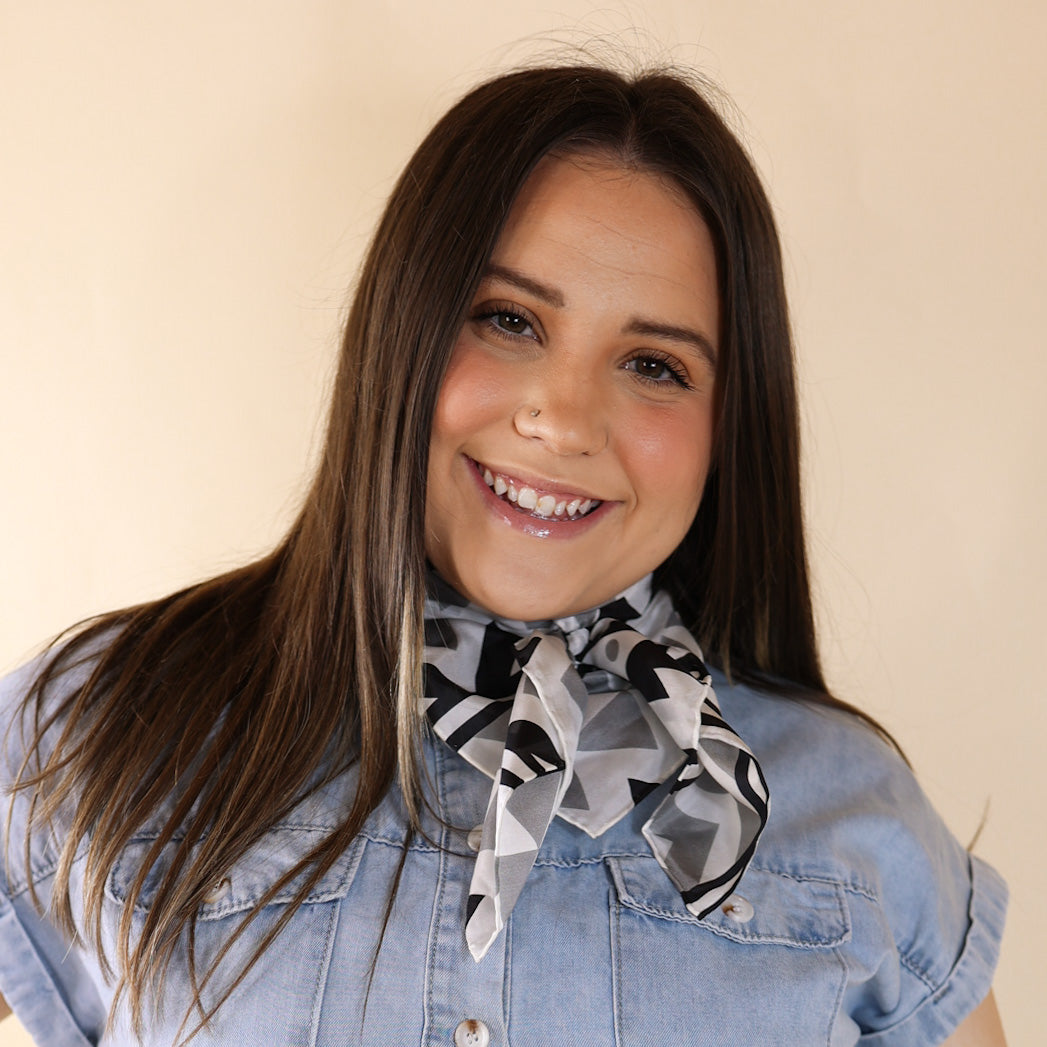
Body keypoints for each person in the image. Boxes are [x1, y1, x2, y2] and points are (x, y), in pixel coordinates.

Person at [0, 64, 1006, 1046]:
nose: (564, 421)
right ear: (403, 332)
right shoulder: (98, 731)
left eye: (654, 365)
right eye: (509, 320)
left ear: (727, 428)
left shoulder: (854, 825)